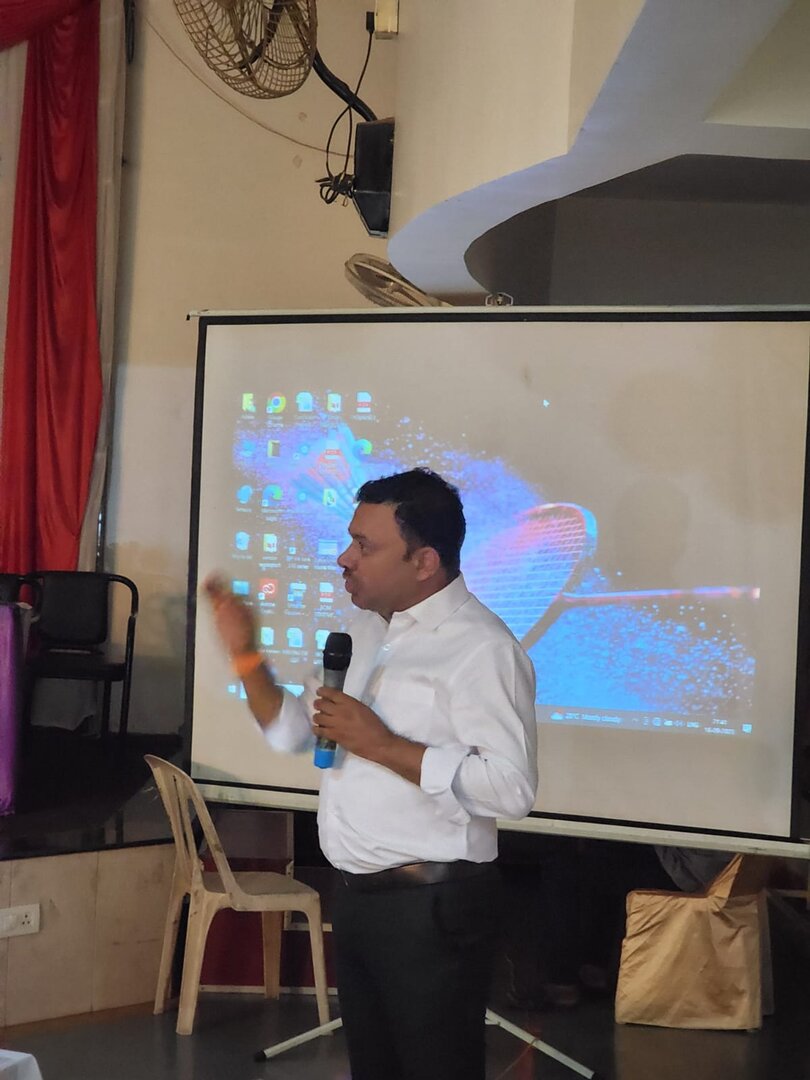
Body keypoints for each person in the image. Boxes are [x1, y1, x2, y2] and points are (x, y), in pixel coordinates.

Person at [206, 467, 538, 1080]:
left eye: (365, 545)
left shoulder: (482, 648)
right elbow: (292, 731)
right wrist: (246, 654)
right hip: (359, 900)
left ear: (424, 561)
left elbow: (511, 788)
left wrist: (382, 744)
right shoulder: (363, 631)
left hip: (433, 908)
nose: (345, 558)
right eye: (350, 541)